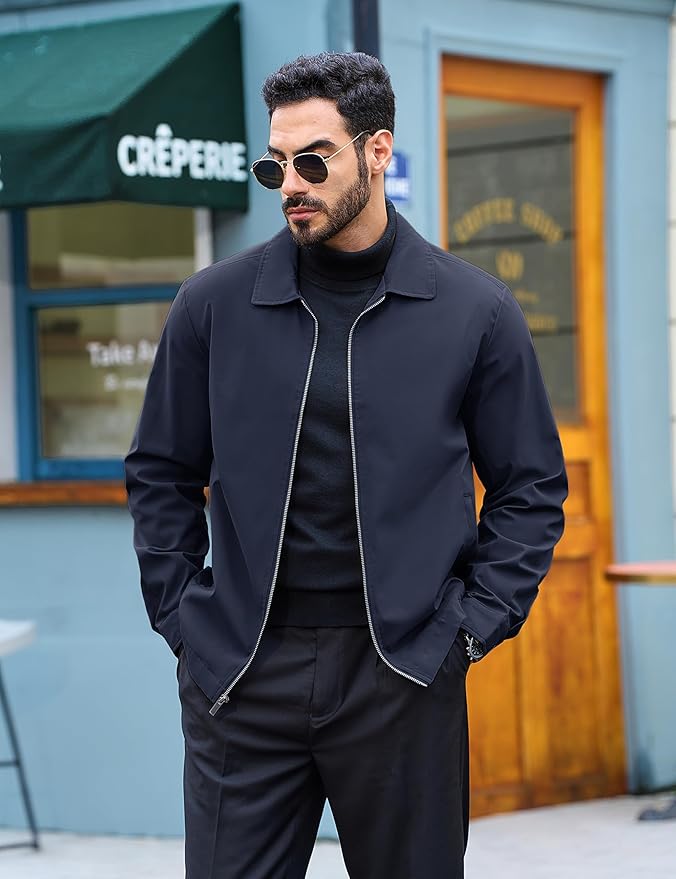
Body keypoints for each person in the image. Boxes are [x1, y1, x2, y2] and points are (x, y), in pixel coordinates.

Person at [124, 51, 568, 879]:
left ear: (377, 150)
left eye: (313, 160)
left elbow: (531, 487)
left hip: (403, 671)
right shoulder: (212, 306)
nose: (291, 184)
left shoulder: (473, 310)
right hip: (242, 671)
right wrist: (185, 619)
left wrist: (466, 630)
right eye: (275, 165)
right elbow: (161, 470)